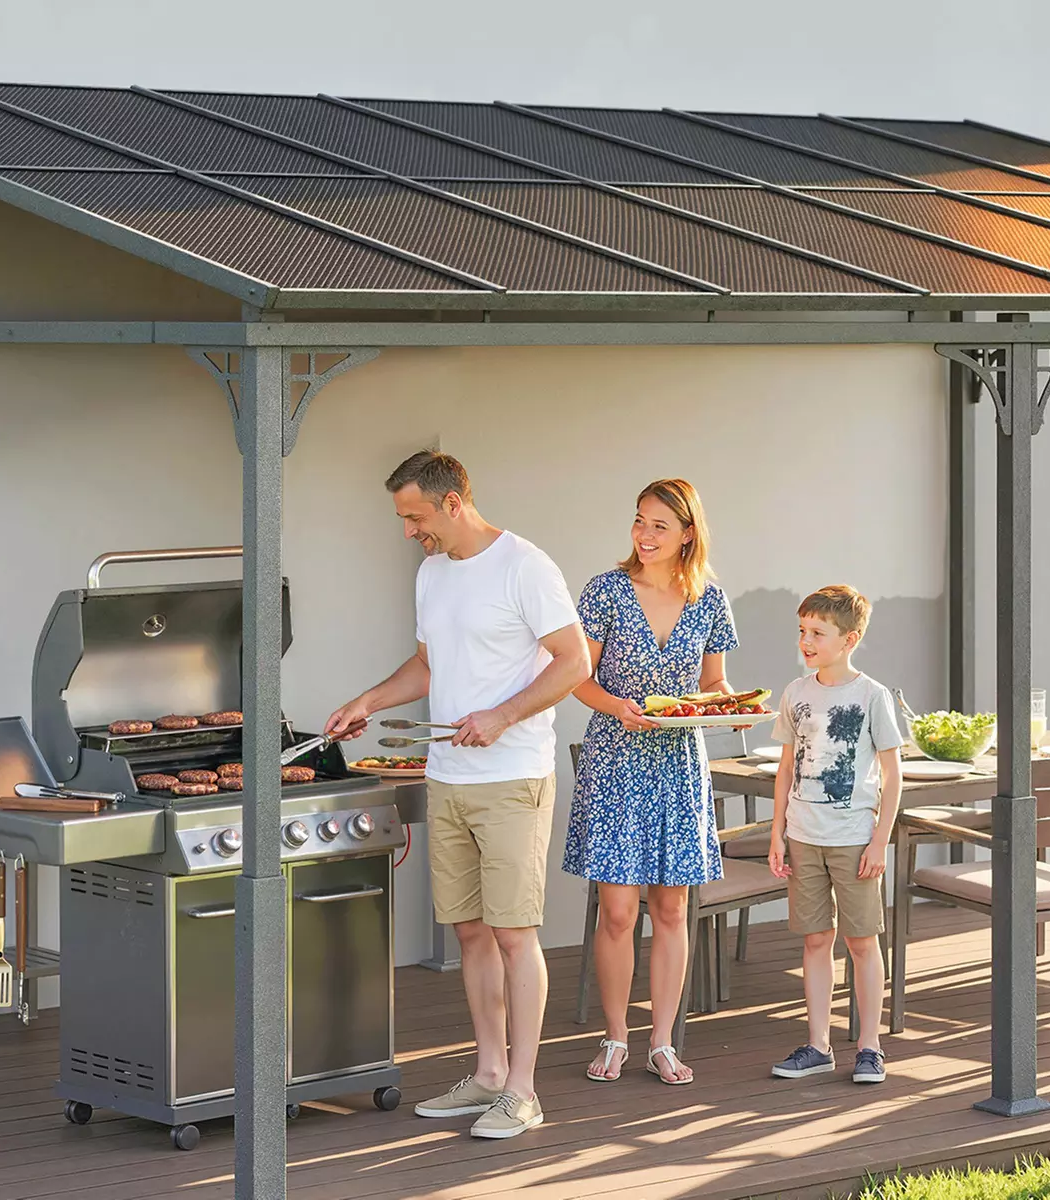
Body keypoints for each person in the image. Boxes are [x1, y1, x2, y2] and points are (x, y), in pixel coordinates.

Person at [325, 451, 589, 1139]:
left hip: (512, 778)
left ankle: (524, 1092)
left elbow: (574, 661)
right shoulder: (432, 573)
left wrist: (502, 715)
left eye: (415, 517)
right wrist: (368, 700)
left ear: (451, 502)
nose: (411, 531)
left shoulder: (526, 567)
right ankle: (490, 1073)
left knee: (512, 932)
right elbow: (428, 663)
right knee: (469, 930)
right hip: (447, 778)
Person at [561, 479, 740, 1087]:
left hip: (679, 764)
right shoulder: (606, 590)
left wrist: (731, 704)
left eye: (660, 525)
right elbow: (574, 678)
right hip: (615, 758)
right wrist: (615, 706)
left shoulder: (710, 599)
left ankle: (662, 1042)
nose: (644, 534)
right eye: (640, 521)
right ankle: (615, 1036)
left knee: (671, 906)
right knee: (616, 911)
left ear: (688, 533)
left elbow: (715, 684)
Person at [765, 586, 903, 1085]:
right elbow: (785, 768)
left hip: (853, 839)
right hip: (803, 837)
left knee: (862, 941)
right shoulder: (795, 693)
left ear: (850, 638)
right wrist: (777, 834)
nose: (806, 641)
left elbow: (893, 774)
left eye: (817, 633)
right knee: (815, 939)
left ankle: (870, 1046)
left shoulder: (871, 696)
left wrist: (879, 840)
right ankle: (818, 1044)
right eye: (802, 631)